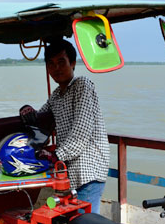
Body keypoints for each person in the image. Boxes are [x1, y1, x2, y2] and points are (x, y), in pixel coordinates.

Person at [20, 39, 109, 213]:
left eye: (62, 62)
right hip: (70, 172)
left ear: (73, 63)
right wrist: (27, 111)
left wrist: (53, 155)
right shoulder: (56, 96)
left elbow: (80, 134)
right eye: (51, 64)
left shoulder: (82, 86)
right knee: (74, 223)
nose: (57, 68)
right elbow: (40, 119)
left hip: (88, 170)